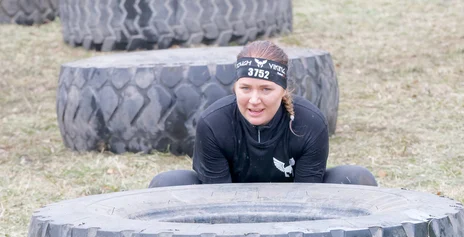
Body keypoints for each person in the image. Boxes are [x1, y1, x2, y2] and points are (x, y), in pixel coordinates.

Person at [149, 40, 377, 188]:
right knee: (167, 183)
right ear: (235, 87)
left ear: (283, 90)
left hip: (294, 209)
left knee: (356, 179)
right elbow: (216, 200)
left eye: (266, 89)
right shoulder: (214, 123)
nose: (254, 100)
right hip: (226, 207)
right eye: (245, 88)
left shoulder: (309, 123)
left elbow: (309, 199)